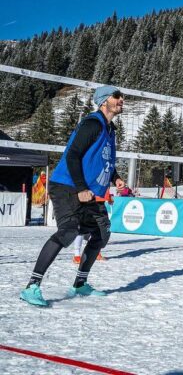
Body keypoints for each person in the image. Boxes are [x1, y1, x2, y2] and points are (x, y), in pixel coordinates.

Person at [20, 86, 125, 306]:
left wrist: (115, 177)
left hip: (88, 191)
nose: (121, 99)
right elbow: (73, 156)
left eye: (121, 96)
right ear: (104, 101)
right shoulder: (92, 124)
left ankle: (80, 283)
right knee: (68, 232)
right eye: (116, 96)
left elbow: (105, 160)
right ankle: (32, 286)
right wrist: (80, 188)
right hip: (67, 186)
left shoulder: (110, 129)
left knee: (101, 234)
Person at [72, 188, 112, 264]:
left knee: (99, 229)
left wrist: (108, 196)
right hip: (86, 201)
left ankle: (96, 252)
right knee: (81, 229)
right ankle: (76, 255)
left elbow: (104, 184)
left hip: (100, 202)